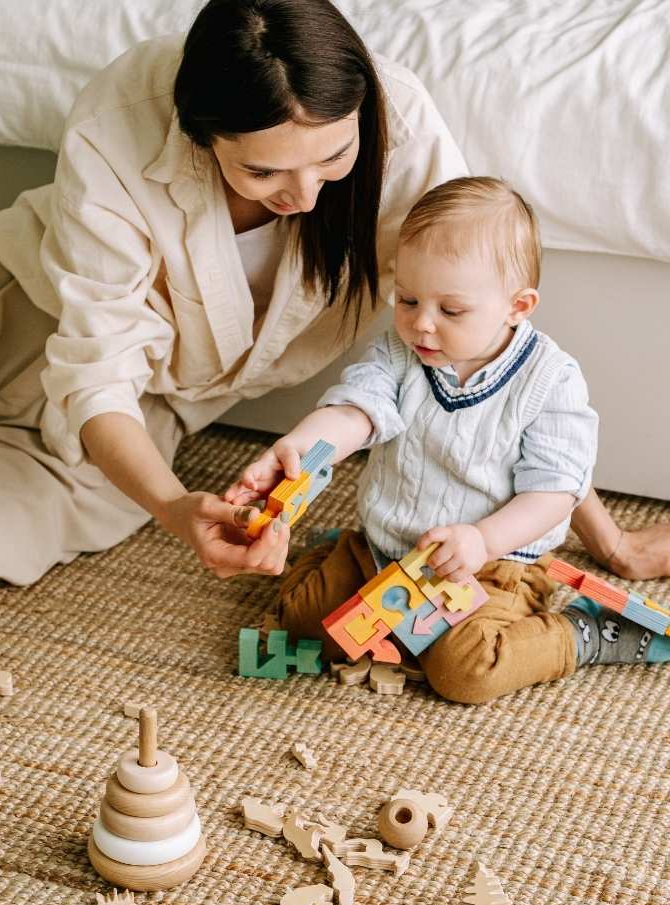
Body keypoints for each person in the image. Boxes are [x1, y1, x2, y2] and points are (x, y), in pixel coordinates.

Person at [0, 1, 664, 654]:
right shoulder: (121, 120)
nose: (306, 194)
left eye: (332, 160)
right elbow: (90, 372)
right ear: (199, 133)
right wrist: (176, 507)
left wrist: (606, 537)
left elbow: (504, 368)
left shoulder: (396, 134)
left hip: (126, 428)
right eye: (264, 171)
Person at [230, 176, 670, 703]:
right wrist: (300, 446)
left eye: (451, 310)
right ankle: (332, 552)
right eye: (407, 299)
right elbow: (356, 411)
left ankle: (581, 635)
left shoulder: (550, 381)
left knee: (466, 672)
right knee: (303, 623)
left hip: (494, 563)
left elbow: (555, 493)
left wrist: (483, 539)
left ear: (518, 306)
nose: (421, 325)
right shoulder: (398, 353)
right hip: (385, 548)